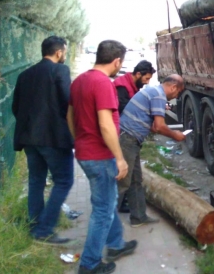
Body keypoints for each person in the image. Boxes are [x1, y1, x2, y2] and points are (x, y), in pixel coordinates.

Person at [67, 40, 136, 274]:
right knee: (103, 210)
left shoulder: (80, 81)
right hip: (100, 156)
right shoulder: (104, 83)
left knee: (106, 200)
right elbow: (106, 125)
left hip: (85, 152)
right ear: (117, 61)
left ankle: (116, 244)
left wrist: (80, 140)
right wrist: (120, 158)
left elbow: (70, 115)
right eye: (121, 63)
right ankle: (89, 264)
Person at [12, 36, 74, 245]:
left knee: (36, 181)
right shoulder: (60, 71)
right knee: (64, 181)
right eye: (64, 51)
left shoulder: (25, 74)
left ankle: (35, 224)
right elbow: (68, 103)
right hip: (54, 138)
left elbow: (16, 107)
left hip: (29, 138)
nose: (64, 55)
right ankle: (44, 229)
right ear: (59, 52)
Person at [117, 74, 186, 227]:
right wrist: (176, 135)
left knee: (135, 180)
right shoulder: (159, 96)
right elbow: (160, 126)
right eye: (178, 92)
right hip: (127, 140)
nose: (176, 96)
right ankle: (104, 224)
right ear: (173, 87)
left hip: (129, 140)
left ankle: (138, 217)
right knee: (122, 183)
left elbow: (155, 126)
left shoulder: (153, 91)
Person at [113, 60, 155, 213]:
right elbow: (124, 110)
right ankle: (109, 216)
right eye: (146, 78)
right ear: (138, 74)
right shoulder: (122, 87)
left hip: (130, 136)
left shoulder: (133, 86)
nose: (147, 82)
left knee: (134, 177)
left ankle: (137, 214)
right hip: (124, 134)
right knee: (123, 178)